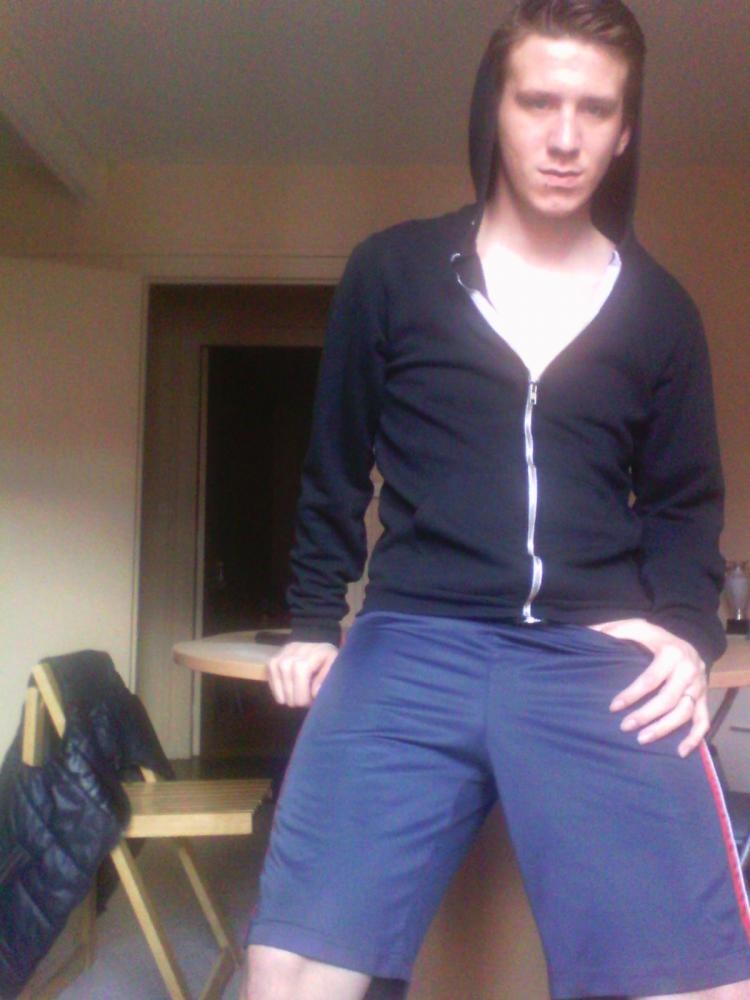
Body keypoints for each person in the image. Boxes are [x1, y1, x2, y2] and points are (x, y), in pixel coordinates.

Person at [243, 2, 750, 998]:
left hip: (593, 653)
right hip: (412, 642)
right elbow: (333, 465)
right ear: (495, 109)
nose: (564, 136)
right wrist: (310, 619)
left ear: (625, 130)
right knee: (290, 973)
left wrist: (688, 634)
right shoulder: (393, 272)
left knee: (704, 984)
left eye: (594, 110)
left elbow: (686, 504)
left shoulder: (660, 311)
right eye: (538, 102)